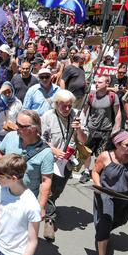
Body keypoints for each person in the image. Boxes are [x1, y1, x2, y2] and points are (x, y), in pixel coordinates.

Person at [91, 131, 128, 255]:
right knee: (105, 222)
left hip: (124, 197)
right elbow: (95, 171)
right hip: (106, 195)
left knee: (120, 220)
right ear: (117, 145)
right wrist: (98, 186)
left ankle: (103, 233)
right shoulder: (106, 156)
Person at [41, 89, 87, 241]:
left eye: (69, 105)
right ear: (56, 104)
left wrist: (78, 128)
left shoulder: (77, 116)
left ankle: (48, 205)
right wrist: (53, 149)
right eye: (63, 106)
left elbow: (84, 140)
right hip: (50, 160)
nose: (67, 109)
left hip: (67, 162)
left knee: (57, 190)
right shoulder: (48, 117)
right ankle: (49, 219)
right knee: (48, 190)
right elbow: (40, 140)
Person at [0, 110, 53, 228]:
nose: (16, 127)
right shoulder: (10, 137)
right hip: (4, 195)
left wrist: (42, 207)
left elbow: (46, 181)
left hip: (25, 202)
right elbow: (0, 151)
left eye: (21, 126)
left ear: (34, 129)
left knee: (23, 236)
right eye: (17, 123)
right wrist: (0, 172)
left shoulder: (46, 153)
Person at [79, 76, 122, 183]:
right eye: (96, 82)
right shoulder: (90, 95)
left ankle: (96, 171)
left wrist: (116, 128)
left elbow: (118, 113)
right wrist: (82, 126)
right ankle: (85, 171)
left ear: (107, 84)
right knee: (87, 152)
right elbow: (84, 111)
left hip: (106, 130)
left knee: (101, 153)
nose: (97, 84)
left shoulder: (113, 96)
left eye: (100, 82)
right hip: (91, 129)